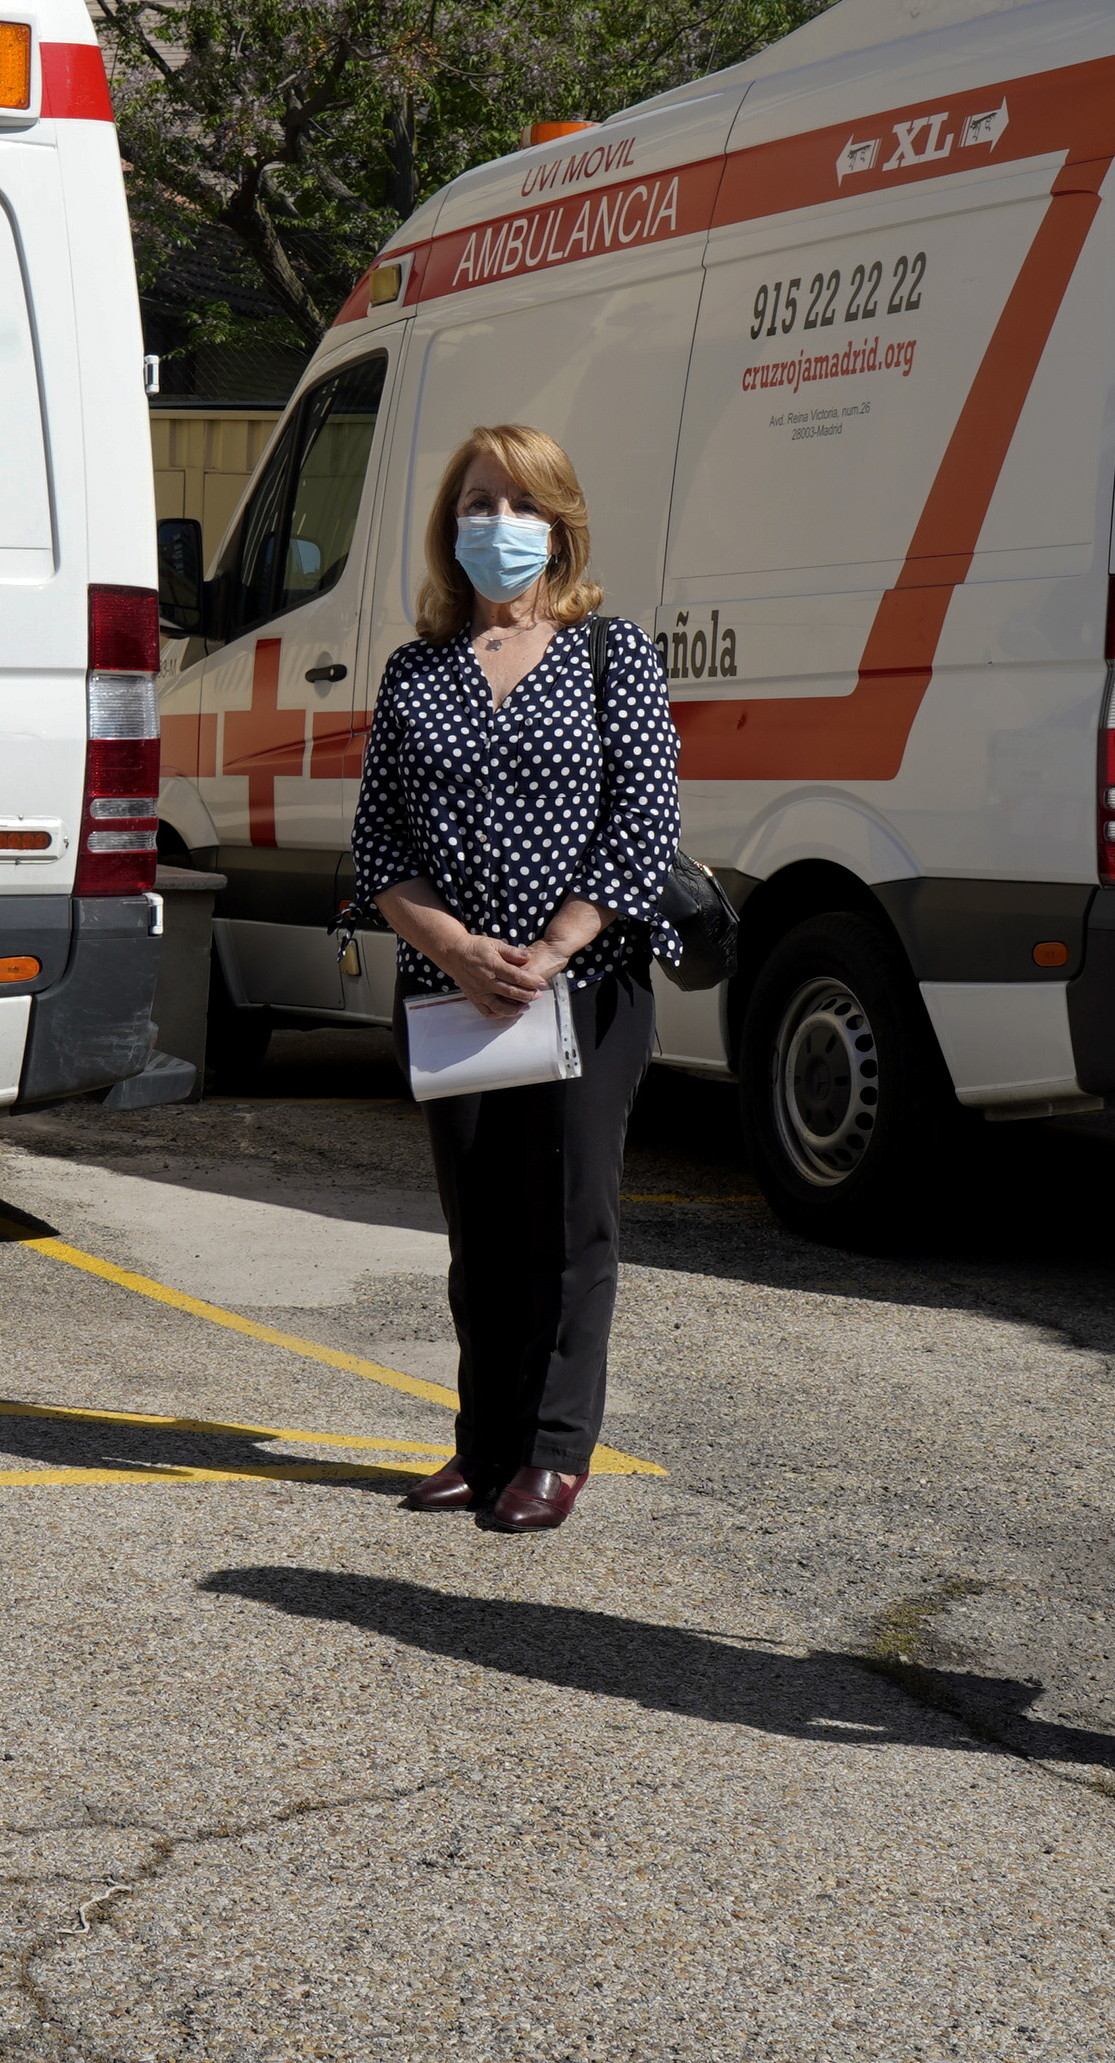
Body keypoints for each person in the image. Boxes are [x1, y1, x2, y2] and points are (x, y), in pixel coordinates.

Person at [345, 425, 680, 1534]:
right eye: (480, 502)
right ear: (451, 525)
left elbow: (645, 823)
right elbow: (378, 846)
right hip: (451, 991)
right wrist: (456, 949)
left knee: (569, 1221)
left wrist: (552, 948)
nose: (501, 523)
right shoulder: (415, 669)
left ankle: (552, 1448)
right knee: (479, 1224)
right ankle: (483, 1440)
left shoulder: (610, 652)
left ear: (561, 523)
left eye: (523, 503)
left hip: (582, 984)